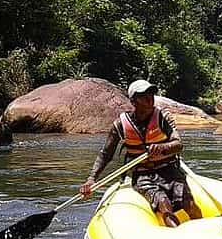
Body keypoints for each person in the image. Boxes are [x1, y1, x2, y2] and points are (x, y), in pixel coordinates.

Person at [79, 79, 201, 227]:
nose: (149, 98)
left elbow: (178, 144)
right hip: (143, 175)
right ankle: (177, 236)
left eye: (151, 94)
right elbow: (106, 154)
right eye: (143, 95)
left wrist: (163, 147)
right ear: (133, 101)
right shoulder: (120, 125)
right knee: (163, 203)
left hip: (170, 170)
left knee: (188, 204)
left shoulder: (163, 118)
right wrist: (92, 179)